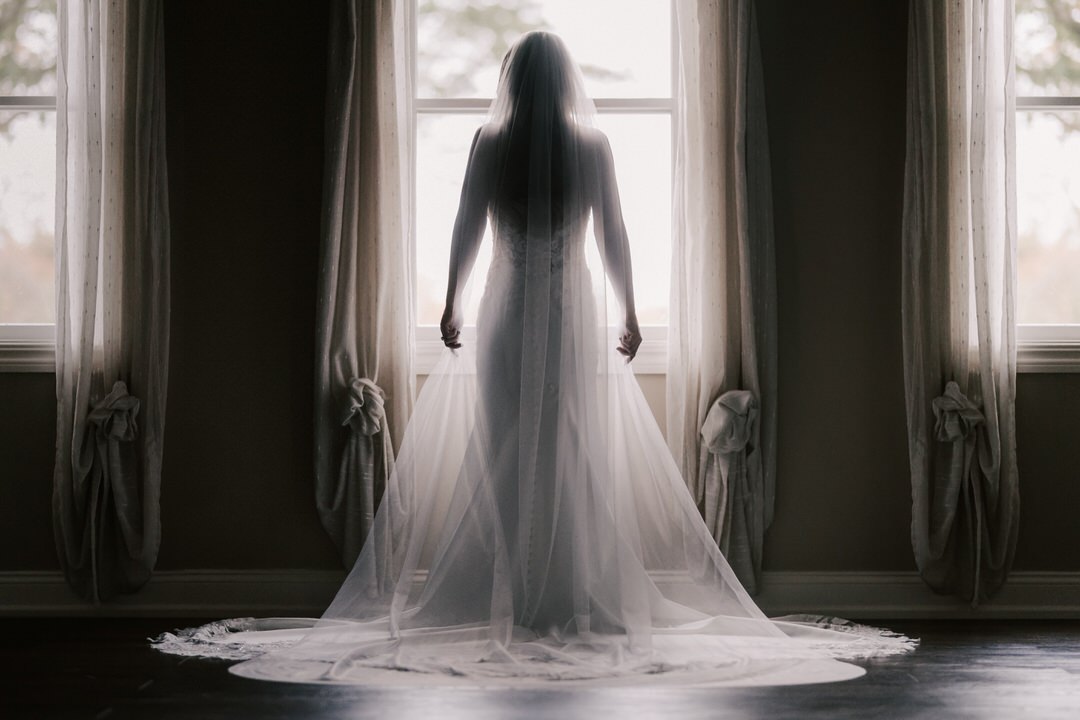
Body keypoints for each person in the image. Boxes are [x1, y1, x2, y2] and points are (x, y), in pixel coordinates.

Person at [154, 31, 913, 686]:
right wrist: (629, 312)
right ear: (567, 84)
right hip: (572, 313)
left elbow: (467, 229)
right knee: (570, 453)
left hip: (509, 314)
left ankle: (511, 593)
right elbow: (614, 233)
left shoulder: (494, 143)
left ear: (513, 81)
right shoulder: (591, 146)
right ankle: (562, 597)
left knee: (505, 453)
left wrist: (452, 302)